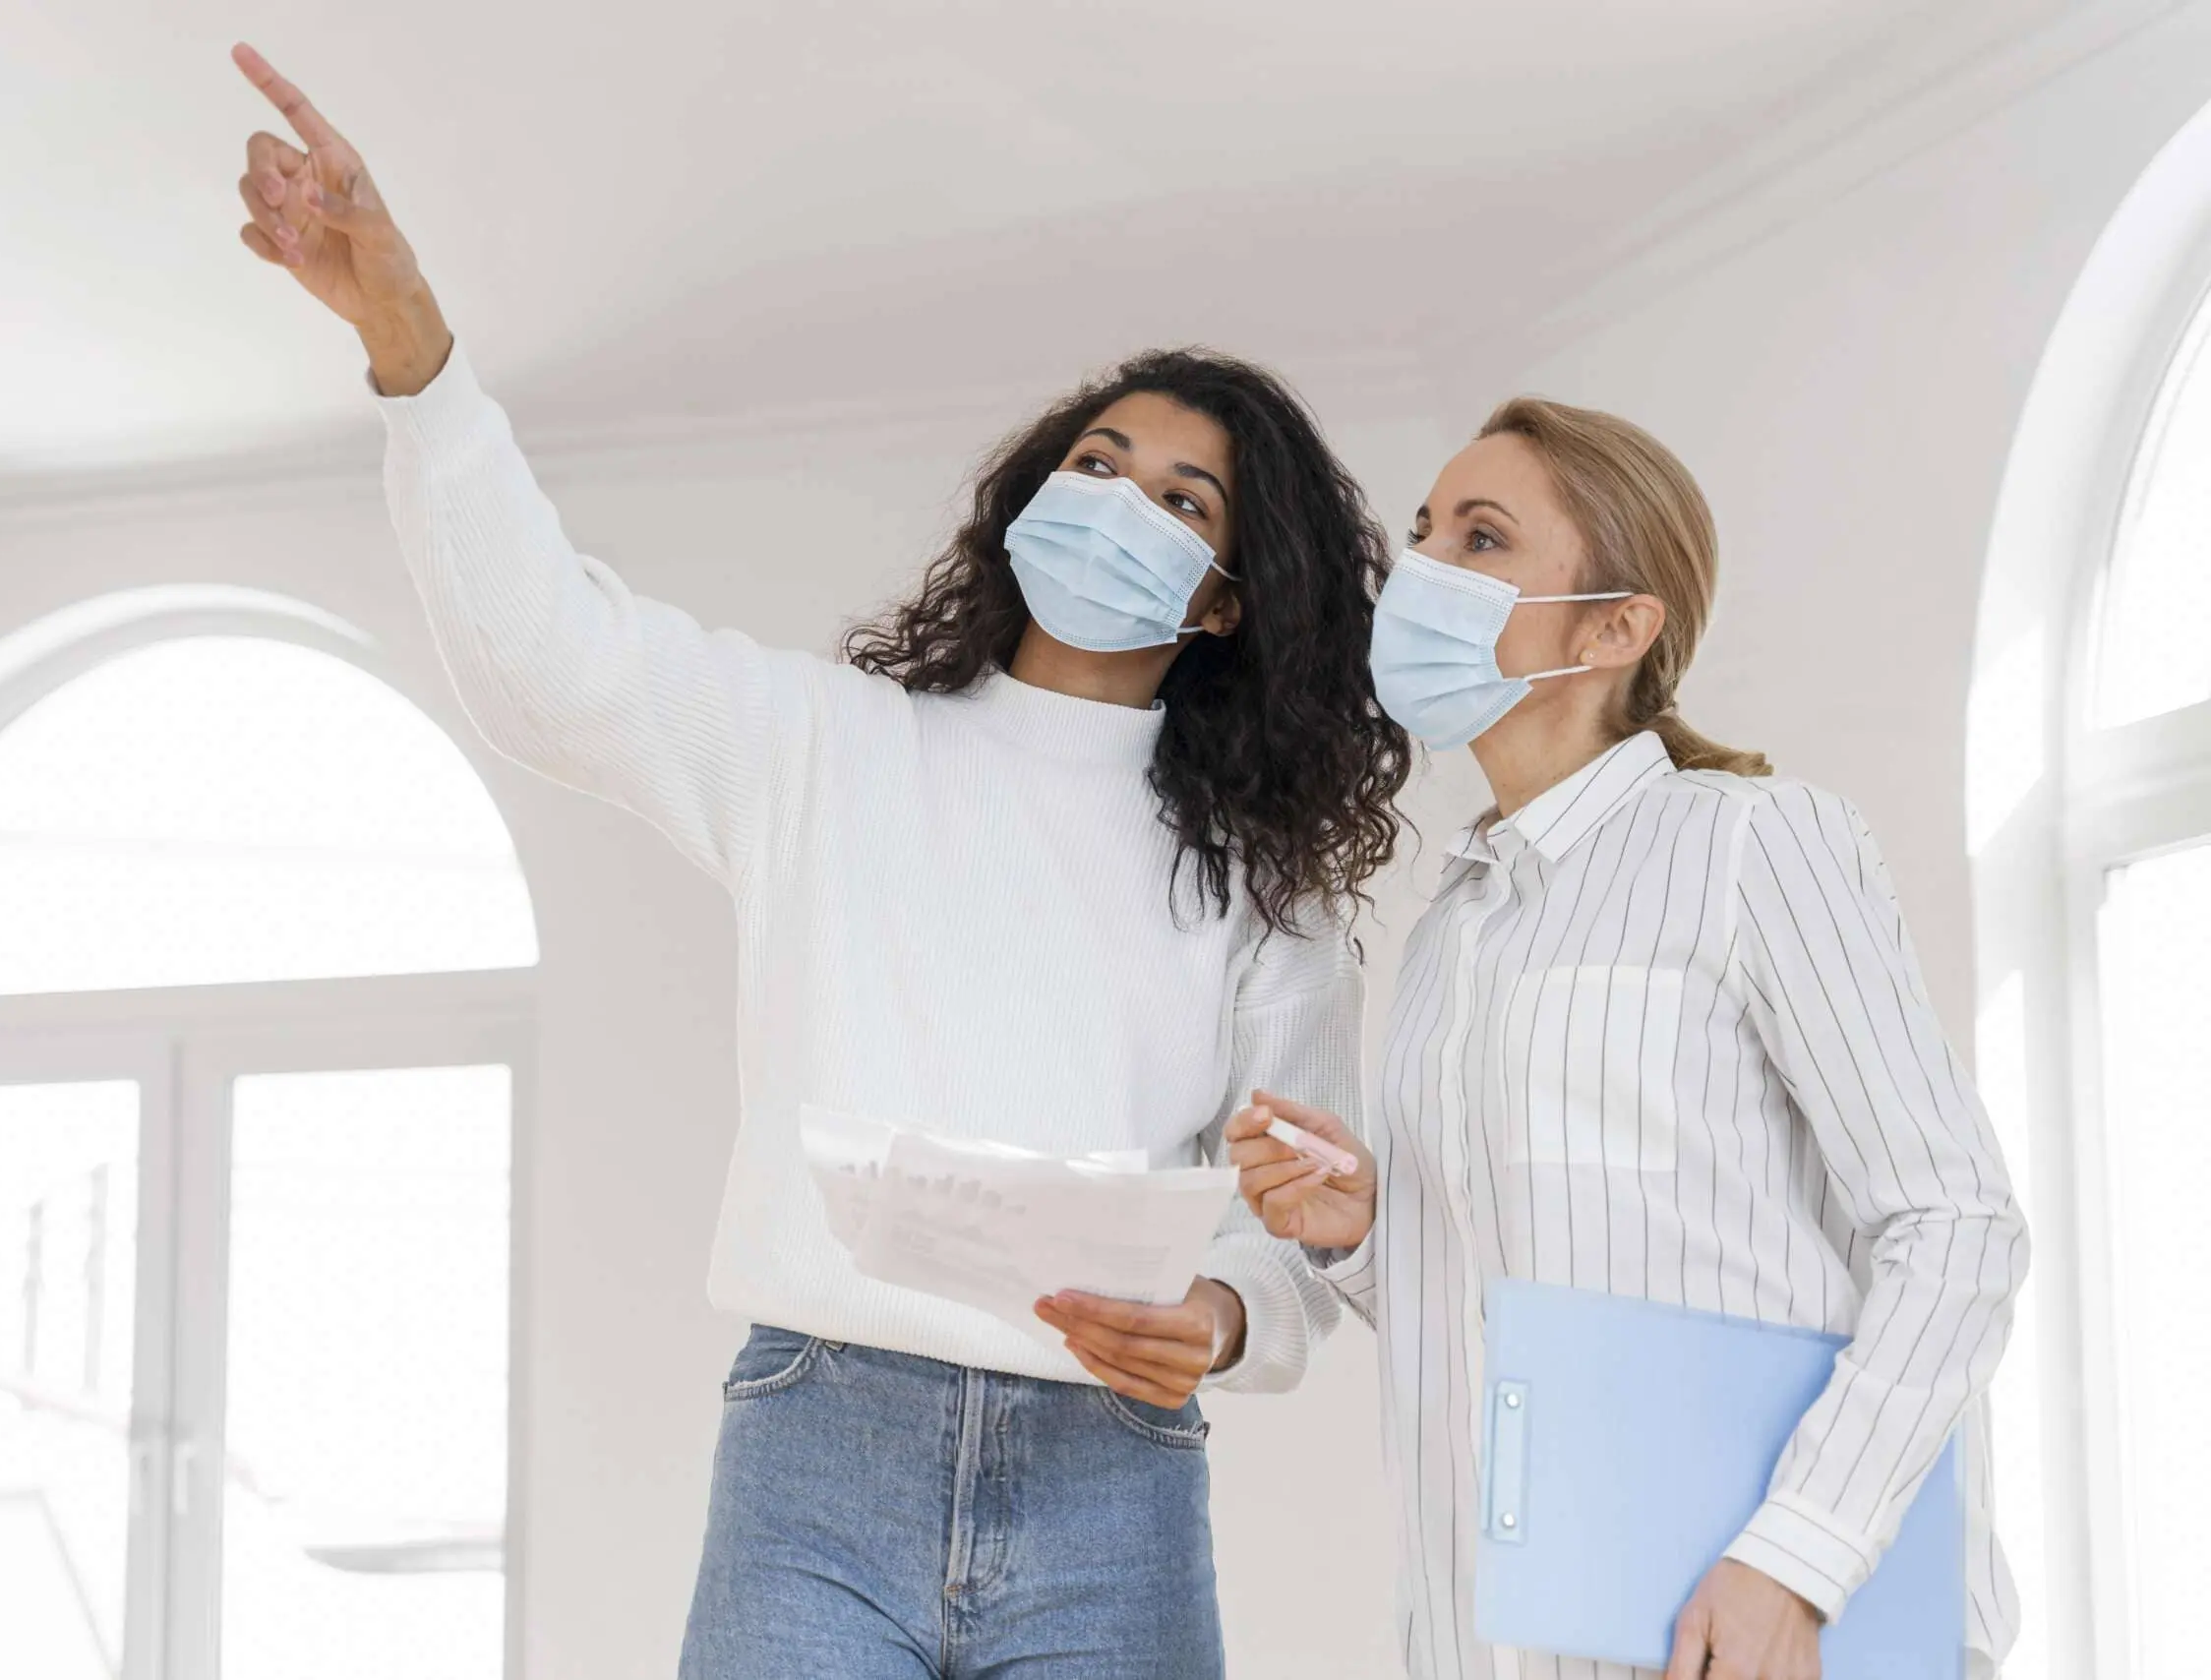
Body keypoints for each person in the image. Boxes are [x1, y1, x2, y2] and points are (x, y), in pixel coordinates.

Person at [225, 43, 1413, 1679]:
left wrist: (1218, 1321)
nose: (1119, 501)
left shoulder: (1261, 886)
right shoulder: (829, 748)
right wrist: (413, 352)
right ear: (1031, 497)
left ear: (1223, 597)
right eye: (1095, 465)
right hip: (820, 1453)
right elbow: (546, 657)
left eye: (1180, 501)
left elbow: (1292, 1221)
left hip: (1114, 1479)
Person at [1227, 396, 2027, 1680]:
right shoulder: (1455, 924)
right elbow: (1517, 1305)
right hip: (1504, 1635)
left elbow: (1956, 1224)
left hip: (1774, 1631)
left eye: (1482, 539)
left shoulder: (1752, 842)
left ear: (1614, 627)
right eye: (1425, 531)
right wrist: (1374, 1235)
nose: (1422, 570)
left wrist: (1797, 1560)